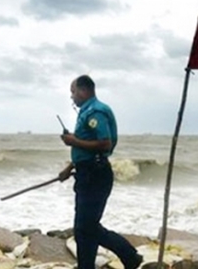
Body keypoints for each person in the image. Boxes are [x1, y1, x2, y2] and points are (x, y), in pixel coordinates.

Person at [59, 75, 143, 269]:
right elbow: (84, 150)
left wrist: (73, 141)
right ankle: (97, 264)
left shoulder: (96, 111)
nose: (72, 97)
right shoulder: (86, 111)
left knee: (86, 227)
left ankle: (130, 256)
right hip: (86, 172)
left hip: (95, 175)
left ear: (84, 90)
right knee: (84, 228)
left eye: (73, 92)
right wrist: (70, 167)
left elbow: (105, 143)